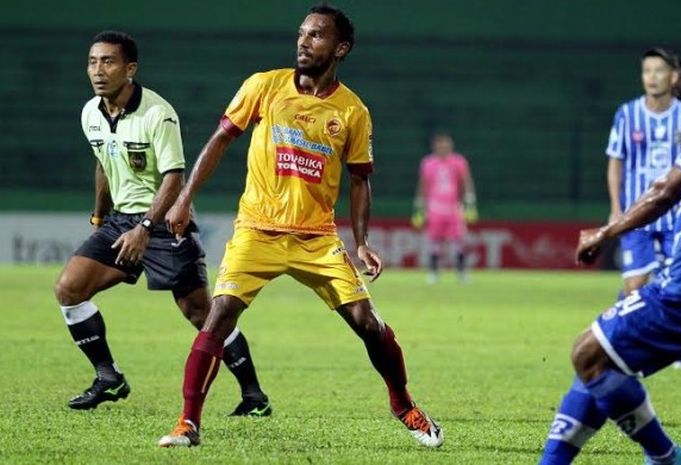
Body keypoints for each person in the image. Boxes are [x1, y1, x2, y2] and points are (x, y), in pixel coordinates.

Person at [157, 5, 443, 448]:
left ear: (340, 48)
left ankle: (402, 404)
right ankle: (187, 423)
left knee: (367, 322)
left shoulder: (352, 111)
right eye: (302, 33)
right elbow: (220, 139)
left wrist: (362, 242)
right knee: (218, 317)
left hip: (317, 238)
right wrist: (184, 198)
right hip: (257, 228)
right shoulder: (264, 86)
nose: (303, 42)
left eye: (316, 36)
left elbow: (360, 179)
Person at [53, 30, 271, 416]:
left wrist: (146, 229)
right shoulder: (90, 112)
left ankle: (254, 396)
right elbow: (104, 163)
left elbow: (174, 178)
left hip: (165, 224)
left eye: (108, 61)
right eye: (92, 61)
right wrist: (100, 216)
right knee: (69, 289)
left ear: (130, 68)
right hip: (121, 221)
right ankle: (109, 377)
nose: (98, 70)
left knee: (202, 315)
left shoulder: (157, 113)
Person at [538, 121, 681, 463]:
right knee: (601, 360)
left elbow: (665, 192)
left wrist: (606, 232)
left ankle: (667, 457)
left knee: (589, 354)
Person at [606, 48, 681, 297]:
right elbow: (616, 162)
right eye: (647, 71)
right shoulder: (627, 114)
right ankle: (627, 309)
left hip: (676, 217)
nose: (652, 77)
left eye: (659, 70)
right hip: (636, 213)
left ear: (673, 77)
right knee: (635, 287)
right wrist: (616, 209)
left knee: (677, 288)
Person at [412, 132, 477, 283]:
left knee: (459, 240)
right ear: (435, 146)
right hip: (434, 207)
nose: (443, 148)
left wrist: (469, 200)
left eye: (445, 145)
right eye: (439, 145)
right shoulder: (428, 163)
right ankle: (434, 272)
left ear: (450, 146)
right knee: (434, 241)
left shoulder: (458, 161)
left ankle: (461, 272)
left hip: (454, 206)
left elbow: (466, 180)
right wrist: (419, 204)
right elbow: (423, 184)